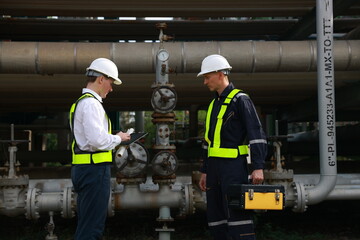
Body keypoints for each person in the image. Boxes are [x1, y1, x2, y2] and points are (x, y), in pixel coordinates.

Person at [197, 54, 267, 240]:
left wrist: (258, 167)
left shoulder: (241, 100)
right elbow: (208, 142)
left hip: (234, 168)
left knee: (237, 217)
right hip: (214, 170)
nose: (205, 82)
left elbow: (256, 134)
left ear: (220, 74)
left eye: (207, 77)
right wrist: (204, 171)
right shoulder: (213, 104)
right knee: (216, 218)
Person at [69, 58, 131, 240]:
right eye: (111, 83)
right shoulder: (90, 104)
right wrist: (118, 138)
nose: (111, 89)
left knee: (87, 224)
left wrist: (113, 137)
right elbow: (96, 141)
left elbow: (92, 138)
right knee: (92, 229)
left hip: (86, 169)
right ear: (101, 79)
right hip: (93, 170)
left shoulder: (83, 102)